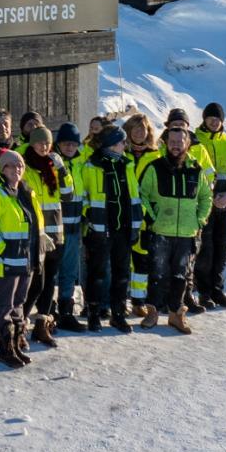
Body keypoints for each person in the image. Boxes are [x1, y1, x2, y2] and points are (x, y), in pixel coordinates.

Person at [139, 124, 213, 333]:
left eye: (180, 142)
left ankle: (175, 314)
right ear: (165, 143)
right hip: (161, 231)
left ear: (187, 144)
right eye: (172, 142)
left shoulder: (195, 170)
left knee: (181, 276)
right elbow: (142, 195)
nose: (176, 146)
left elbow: (206, 197)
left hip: (187, 234)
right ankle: (153, 312)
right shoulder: (154, 167)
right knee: (157, 274)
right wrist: (152, 217)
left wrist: (200, 220)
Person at [0, 151, 40, 367]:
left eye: (20, 165)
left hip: (24, 262)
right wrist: (4, 251)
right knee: (3, 306)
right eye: (11, 166)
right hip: (4, 263)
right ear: (1, 170)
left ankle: (15, 344)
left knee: (19, 305)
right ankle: (5, 350)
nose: (17, 170)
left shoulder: (23, 193)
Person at [194, 103, 226, 311]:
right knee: (205, 250)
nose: (214, 122)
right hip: (204, 204)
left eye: (218, 118)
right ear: (204, 119)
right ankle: (204, 292)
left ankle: (217, 289)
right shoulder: (195, 140)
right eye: (211, 118)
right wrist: (209, 197)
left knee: (223, 249)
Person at [20, 126, 67, 346]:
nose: (44, 147)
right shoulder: (25, 167)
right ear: (32, 143)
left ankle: (41, 325)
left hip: (55, 233)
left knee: (50, 282)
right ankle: (19, 325)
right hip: (35, 236)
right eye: (40, 143)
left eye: (47, 143)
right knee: (34, 282)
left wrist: (63, 171)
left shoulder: (54, 168)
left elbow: (68, 195)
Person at [86, 124, 135, 330]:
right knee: (97, 273)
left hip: (122, 228)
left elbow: (133, 197)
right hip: (100, 228)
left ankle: (118, 313)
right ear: (113, 144)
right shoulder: (92, 165)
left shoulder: (126, 164)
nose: (125, 145)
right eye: (122, 141)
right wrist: (90, 219)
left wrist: (135, 226)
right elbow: (84, 197)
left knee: (121, 272)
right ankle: (94, 314)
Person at [123, 113, 163, 318]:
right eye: (135, 128)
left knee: (141, 261)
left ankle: (139, 301)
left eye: (143, 129)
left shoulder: (156, 157)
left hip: (146, 218)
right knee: (120, 260)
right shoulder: (121, 154)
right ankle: (121, 301)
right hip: (122, 215)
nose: (139, 133)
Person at [53, 122, 88, 328]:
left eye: (73, 144)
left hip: (74, 227)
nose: (69, 148)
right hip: (54, 230)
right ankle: (47, 310)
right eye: (66, 143)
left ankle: (66, 310)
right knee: (50, 272)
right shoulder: (52, 164)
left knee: (69, 271)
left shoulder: (81, 164)